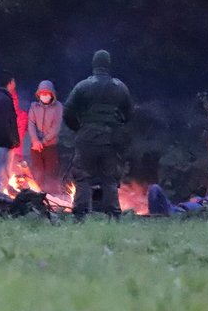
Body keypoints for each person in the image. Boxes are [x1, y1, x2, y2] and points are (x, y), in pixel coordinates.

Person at [64, 50, 133, 220]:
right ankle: (114, 216)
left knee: (83, 177)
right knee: (109, 179)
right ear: (108, 65)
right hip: (111, 141)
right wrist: (117, 127)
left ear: (94, 65)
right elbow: (129, 113)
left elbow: (67, 112)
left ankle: (81, 215)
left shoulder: (82, 86)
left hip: (86, 139)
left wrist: (78, 128)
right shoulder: (120, 87)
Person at [0, 70, 20, 201]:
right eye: (14, 82)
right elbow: (5, 123)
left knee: (3, 177)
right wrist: (12, 141)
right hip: (3, 144)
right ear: (10, 82)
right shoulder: (4, 100)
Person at [28, 79, 63, 194]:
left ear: (52, 94)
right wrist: (35, 140)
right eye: (42, 93)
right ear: (38, 94)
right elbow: (31, 124)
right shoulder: (34, 106)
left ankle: (53, 199)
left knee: (51, 175)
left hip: (50, 146)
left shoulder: (58, 107)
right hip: (35, 147)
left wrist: (43, 141)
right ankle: (39, 199)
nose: (44, 95)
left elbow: (56, 127)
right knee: (38, 174)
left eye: (47, 93)